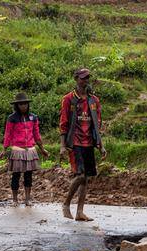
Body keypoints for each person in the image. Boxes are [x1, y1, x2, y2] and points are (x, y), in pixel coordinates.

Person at [59, 68, 105, 222]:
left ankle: (80, 212)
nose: (85, 81)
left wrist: (100, 144)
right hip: (75, 142)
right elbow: (64, 123)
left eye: (87, 78)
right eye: (83, 78)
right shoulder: (69, 99)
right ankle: (66, 204)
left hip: (89, 142)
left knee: (86, 179)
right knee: (80, 175)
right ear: (76, 78)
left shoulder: (94, 101)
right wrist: (62, 145)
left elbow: (97, 125)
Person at [0, 92, 48, 207]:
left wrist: (42, 149)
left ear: (28, 104)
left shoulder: (33, 117)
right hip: (17, 149)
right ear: (17, 106)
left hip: (30, 150)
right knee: (16, 175)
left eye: (25, 104)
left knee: (28, 175)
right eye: (21, 104)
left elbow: (36, 134)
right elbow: (8, 134)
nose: (23, 106)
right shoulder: (12, 118)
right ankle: (15, 200)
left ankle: (27, 199)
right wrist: (4, 149)